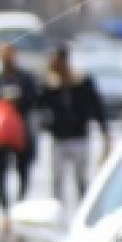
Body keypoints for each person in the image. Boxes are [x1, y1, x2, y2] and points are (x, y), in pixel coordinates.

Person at [42, 45, 110, 206]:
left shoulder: (82, 81)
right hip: (59, 138)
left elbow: (96, 106)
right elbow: (40, 107)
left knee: (81, 179)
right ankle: (57, 210)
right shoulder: (51, 85)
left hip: (79, 137)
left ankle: (83, 208)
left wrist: (104, 131)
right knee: (57, 181)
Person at [0, 43, 39, 211]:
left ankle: (21, 202)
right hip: (2, 131)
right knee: (1, 169)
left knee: (22, 168)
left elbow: (33, 98)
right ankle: (4, 207)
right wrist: (2, 104)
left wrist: (18, 102)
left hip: (20, 129)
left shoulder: (24, 78)